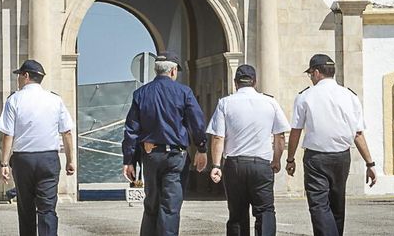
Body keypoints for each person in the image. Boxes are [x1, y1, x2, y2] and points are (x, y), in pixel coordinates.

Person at [285, 54, 376, 236]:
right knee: (337, 205)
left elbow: (296, 130)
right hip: (342, 157)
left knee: (318, 206)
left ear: (317, 72)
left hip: (316, 158)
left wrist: (290, 159)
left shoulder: (305, 97)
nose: (310, 78)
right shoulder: (349, 96)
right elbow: (358, 133)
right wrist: (370, 164)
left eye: (310, 74)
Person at [121, 52, 208, 236]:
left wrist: (128, 160)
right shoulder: (184, 92)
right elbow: (197, 123)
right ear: (173, 70)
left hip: (150, 156)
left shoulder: (141, 93)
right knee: (170, 207)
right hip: (176, 157)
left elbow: (131, 131)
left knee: (151, 205)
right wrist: (201, 148)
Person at [0, 59, 76, 236]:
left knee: (26, 209)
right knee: (47, 209)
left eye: (19, 76)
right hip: (48, 159)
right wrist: (71, 161)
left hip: (23, 160)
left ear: (26, 76)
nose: (18, 80)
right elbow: (67, 132)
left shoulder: (14, 100)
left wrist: (4, 163)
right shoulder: (55, 99)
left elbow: (8, 134)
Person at [207, 64, 288, 236]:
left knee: (237, 214)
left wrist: (216, 165)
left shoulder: (225, 103)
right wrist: (276, 160)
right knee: (265, 211)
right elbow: (280, 136)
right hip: (261, 165)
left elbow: (218, 137)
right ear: (255, 82)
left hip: (234, 165)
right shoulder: (270, 102)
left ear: (235, 83)